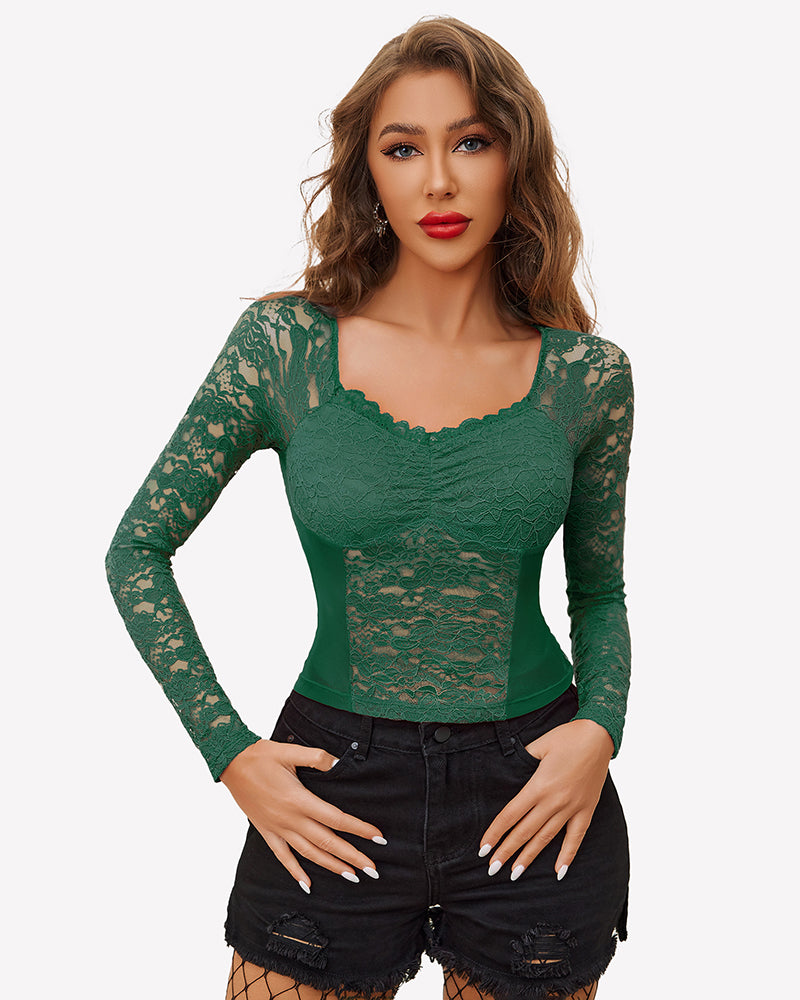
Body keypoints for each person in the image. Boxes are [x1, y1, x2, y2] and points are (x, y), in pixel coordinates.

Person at [105, 16, 633, 1000]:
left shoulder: (587, 377)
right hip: (333, 789)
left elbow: (597, 594)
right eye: (402, 148)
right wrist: (230, 753)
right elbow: (137, 550)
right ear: (368, 174)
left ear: (514, 159)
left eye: (469, 141)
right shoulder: (283, 348)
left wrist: (600, 728)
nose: (437, 181)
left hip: (535, 794)